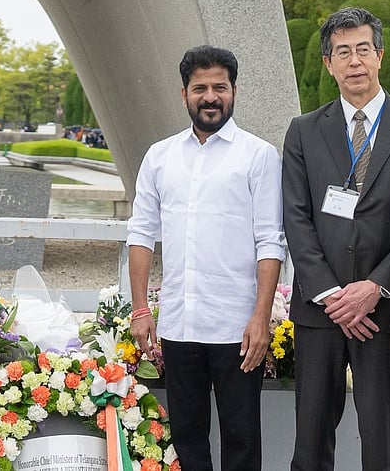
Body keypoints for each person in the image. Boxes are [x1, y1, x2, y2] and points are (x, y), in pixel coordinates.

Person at [282, 7, 390, 471]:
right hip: (320, 313)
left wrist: (374, 287)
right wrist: (333, 295)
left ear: (380, 56)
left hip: (387, 314)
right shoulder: (304, 131)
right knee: (309, 442)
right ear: (328, 63)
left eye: (363, 50)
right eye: (342, 52)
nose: (354, 62)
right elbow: (295, 216)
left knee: (384, 441)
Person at [128, 45, 285, 470]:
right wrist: (141, 308)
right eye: (200, 88)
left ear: (234, 92)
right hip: (179, 323)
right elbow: (141, 233)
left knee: (241, 438)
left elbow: (271, 241)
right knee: (187, 435)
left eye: (220, 87)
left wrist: (260, 317)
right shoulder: (159, 156)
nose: (210, 96)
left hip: (237, 326)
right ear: (184, 95)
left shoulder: (259, 155)